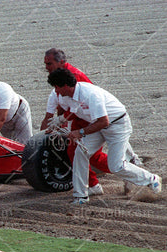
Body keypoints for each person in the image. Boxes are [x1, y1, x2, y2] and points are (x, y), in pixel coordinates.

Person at [47, 68, 161, 204]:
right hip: (97, 125)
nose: (56, 91)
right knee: (80, 153)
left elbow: (104, 121)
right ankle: (81, 196)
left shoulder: (90, 94)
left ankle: (151, 179)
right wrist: (59, 121)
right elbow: (74, 111)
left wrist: (80, 132)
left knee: (116, 166)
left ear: (65, 86)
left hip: (117, 126)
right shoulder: (67, 96)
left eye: (57, 87)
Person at [40, 48, 110, 196]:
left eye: (49, 63)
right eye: (45, 63)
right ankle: (94, 183)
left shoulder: (75, 76)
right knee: (77, 152)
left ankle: (124, 168)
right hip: (78, 117)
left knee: (89, 155)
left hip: (89, 118)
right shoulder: (60, 77)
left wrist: (62, 120)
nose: (46, 67)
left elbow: (79, 105)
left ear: (61, 62)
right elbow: (63, 102)